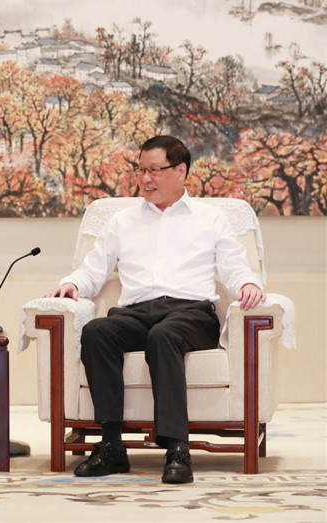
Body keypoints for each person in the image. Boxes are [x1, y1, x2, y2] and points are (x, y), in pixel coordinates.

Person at [45, 135, 265, 484]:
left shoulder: (211, 219)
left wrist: (248, 285)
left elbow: (234, 266)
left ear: (180, 171)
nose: (145, 179)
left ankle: (177, 449)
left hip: (191, 313)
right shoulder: (122, 221)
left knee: (163, 336)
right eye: (141, 170)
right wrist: (72, 283)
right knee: (97, 331)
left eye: (154, 170)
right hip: (136, 312)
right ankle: (111, 446)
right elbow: (94, 268)